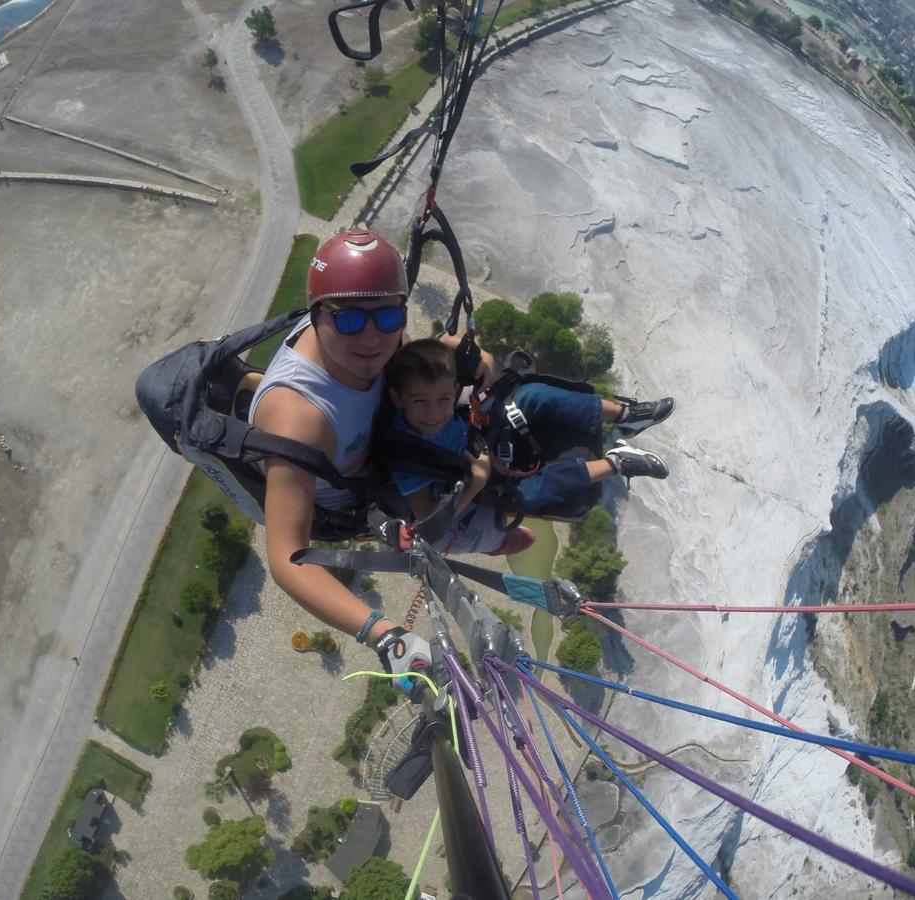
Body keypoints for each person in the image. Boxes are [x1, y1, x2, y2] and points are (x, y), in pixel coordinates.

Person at [248, 228, 491, 682]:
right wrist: (382, 633)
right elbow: (287, 556)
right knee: (487, 511)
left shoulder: (371, 336)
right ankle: (495, 536)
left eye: (388, 316)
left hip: (385, 437)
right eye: (349, 320)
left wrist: (451, 354)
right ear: (316, 315)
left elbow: (395, 359)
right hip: (359, 499)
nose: (372, 338)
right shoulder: (300, 418)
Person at [384, 339, 672, 555]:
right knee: (531, 492)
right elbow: (430, 523)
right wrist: (478, 482)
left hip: (479, 429)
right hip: (473, 471)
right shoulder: (407, 458)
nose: (434, 413)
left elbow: (443, 344)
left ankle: (625, 416)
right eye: (420, 402)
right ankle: (618, 462)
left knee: (531, 396)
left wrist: (481, 359)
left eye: (443, 400)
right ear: (399, 400)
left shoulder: (421, 373)